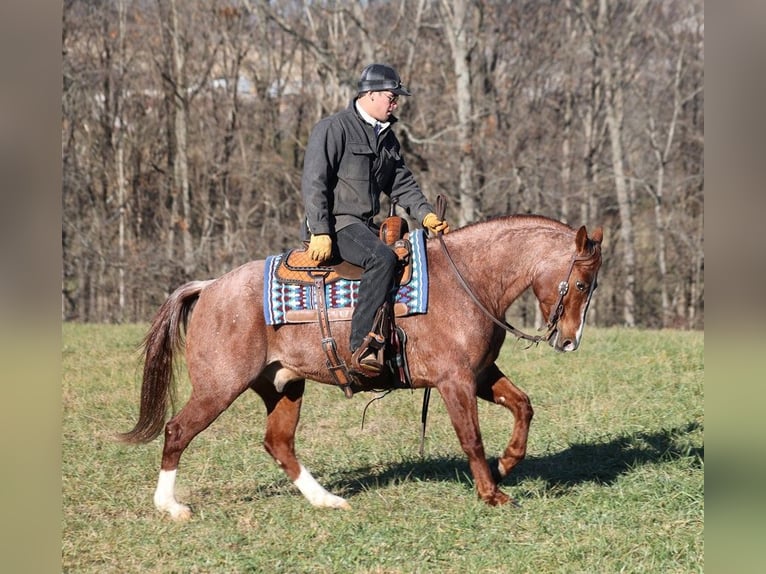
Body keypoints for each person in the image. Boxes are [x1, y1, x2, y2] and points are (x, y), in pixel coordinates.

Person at [301, 63, 449, 374]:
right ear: (369, 95)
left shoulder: (387, 139)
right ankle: (360, 348)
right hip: (338, 225)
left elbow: (401, 183)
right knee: (382, 258)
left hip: (364, 227)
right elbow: (314, 181)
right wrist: (320, 230)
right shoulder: (333, 128)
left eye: (397, 99)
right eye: (391, 97)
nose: (395, 103)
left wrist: (426, 215)